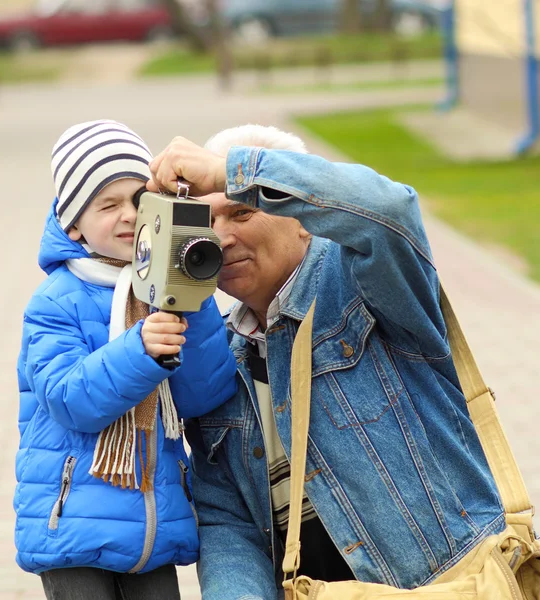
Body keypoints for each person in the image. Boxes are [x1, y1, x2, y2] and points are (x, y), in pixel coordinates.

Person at [146, 125, 506, 599]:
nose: (221, 238)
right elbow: (226, 519)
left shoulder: (364, 282)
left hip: (454, 585)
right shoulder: (210, 358)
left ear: (303, 217)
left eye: (242, 210)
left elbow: (390, 210)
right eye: (207, 222)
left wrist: (226, 171)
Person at [14, 119, 237, 600]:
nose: (128, 216)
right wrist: (139, 350)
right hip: (73, 524)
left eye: (139, 199)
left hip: (152, 526)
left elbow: (204, 394)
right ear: (73, 223)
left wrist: (189, 302)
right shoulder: (55, 301)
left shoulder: (168, 289)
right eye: (107, 205)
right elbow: (69, 399)